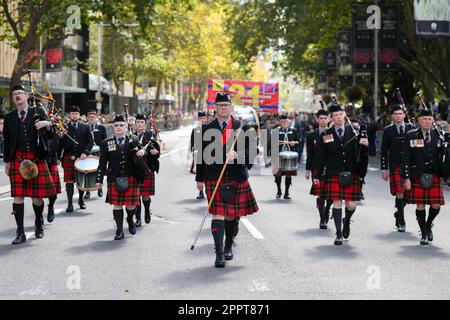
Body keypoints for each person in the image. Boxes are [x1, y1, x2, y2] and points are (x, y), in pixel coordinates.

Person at [195, 92, 259, 268]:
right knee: (218, 213)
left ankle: (229, 244)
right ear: (215, 108)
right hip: (213, 176)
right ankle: (219, 252)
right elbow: (200, 156)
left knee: (231, 216)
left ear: (231, 107)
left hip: (235, 175)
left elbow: (252, 152)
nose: (223, 108)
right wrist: (199, 179)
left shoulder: (242, 127)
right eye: (220, 105)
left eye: (226, 105)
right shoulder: (206, 129)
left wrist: (238, 154)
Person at [3, 84, 56, 244]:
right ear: (13, 99)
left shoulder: (37, 112)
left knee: (37, 198)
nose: (18, 96)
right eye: (15, 94)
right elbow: (7, 142)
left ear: (26, 96)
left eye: (20, 93)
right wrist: (7, 162)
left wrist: (46, 124)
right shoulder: (9, 117)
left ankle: (39, 221)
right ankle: (20, 232)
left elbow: (51, 133)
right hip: (17, 160)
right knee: (17, 197)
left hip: (36, 159)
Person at [315, 102, 369, 245]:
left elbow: (363, 152)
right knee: (337, 202)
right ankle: (338, 233)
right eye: (336, 115)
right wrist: (317, 176)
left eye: (341, 114)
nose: (339, 117)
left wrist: (365, 145)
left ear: (345, 115)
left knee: (351, 204)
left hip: (351, 172)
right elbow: (321, 157)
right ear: (331, 118)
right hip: (333, 173)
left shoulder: (355, 132)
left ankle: (346, 222)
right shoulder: (326, 134)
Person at [96, 114, 146, 240]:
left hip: (131, 177)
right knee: (117, 205)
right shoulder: (107, 143)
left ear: (126, 126)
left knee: (131, 205)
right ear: (113, 127)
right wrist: (99, 180)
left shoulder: (133, 139)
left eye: (121, 125)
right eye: (116, 125)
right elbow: (102, 163)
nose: (119, 127)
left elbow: (140, 155)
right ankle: (119, 230)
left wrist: (142, 152)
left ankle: (130, 219)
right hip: (114, 177)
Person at [402, 108, 446, 245]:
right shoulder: (411, 135)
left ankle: (428, 224)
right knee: (420, 205)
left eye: (429, 119)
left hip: (434, 174)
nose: (427, 122)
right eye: (424, 119)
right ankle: (424, 233)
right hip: (417, 175)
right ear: (419, 121)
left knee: (436, 205)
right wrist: (407, 178)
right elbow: (406, 158)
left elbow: (444, 155)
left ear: (433, 121)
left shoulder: (438, 135)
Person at [380, 105, 413, 232]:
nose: (398, 116)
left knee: (408, 193)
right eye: (396, 114)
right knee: (400, 192)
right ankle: (402, 221)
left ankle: (398, 212)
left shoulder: (412, 128)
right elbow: (384, 151)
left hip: (410, 165)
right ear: (392, 116)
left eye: (400, 113)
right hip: (396, 166)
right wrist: (384, 169)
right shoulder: (388, 130)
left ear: (404, 115)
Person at [58, 106, 93, 212]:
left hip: (81, 158)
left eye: (76, 114)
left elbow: (90, 142)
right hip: (68, 157)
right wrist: (58, 157)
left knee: (80, 181)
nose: (74, 115)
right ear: (70, 115)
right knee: (69, 181)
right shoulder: (64, 127)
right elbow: (60, 144)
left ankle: (81, 201)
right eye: (72, 113)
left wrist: (85, 152)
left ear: (79, 115)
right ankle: (69, 204)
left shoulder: (85, 127)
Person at [305, 108, 332, 229]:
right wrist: (307, 170)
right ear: (317, 119)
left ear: (328, 119)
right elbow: (309, 154)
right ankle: (322, 219)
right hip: (316, 168)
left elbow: (332, 152)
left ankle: (327, 211)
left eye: (325, 118)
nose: (323, 120)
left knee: (331, 196)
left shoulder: (330, 134)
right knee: (320, 194)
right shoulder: (312, 135)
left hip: (330, 168)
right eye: (321, 118)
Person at [133, 114, 160, 226]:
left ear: (145, 124)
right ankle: (138, 218)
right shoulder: (131, 136)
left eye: (142, 122)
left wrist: (156, 152)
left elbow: (157, 150)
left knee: (145, 195)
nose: (139, 124)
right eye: (138, 122)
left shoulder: (150, 135)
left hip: (147, 168)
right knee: (136, 194)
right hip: (135, 170)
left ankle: (147, 211)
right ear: (135, 124)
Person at [273, 115, 300, 199]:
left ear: (288, 122)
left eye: (286, 121)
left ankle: (287, 193)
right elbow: (271, 144)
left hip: (290, 156)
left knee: (288, 175)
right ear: (280, 122)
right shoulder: (275, 131)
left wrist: (294, 143)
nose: (284, 123)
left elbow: (298, 141)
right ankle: (279, 191)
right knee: (278, 175)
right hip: (278, 156)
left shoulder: (294, 131)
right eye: (282, 121)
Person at [84, 110, 107, 200]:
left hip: (99, 151)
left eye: (93, 117)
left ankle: (99, 188)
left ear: (96, 118)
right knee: (87, 171)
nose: (91, 118)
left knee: (99, 170)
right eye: (89, 117)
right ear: (87, 118)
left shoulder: (101, 128)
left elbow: (105, 141)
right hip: (88, 151)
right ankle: (87, 191)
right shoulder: (85, 128)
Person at [189, 111, 208, 199]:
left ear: (206, 119)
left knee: (208, 174)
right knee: (199, 174)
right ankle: (201, 191)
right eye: (200, 118)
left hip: (209, 155)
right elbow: (192, 143)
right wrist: (193, 151)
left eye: (204, 118)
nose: (202, 120)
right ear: (198, 119)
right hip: (199, 155)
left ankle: (208, 190)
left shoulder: (210, 129)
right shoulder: (195, 130)